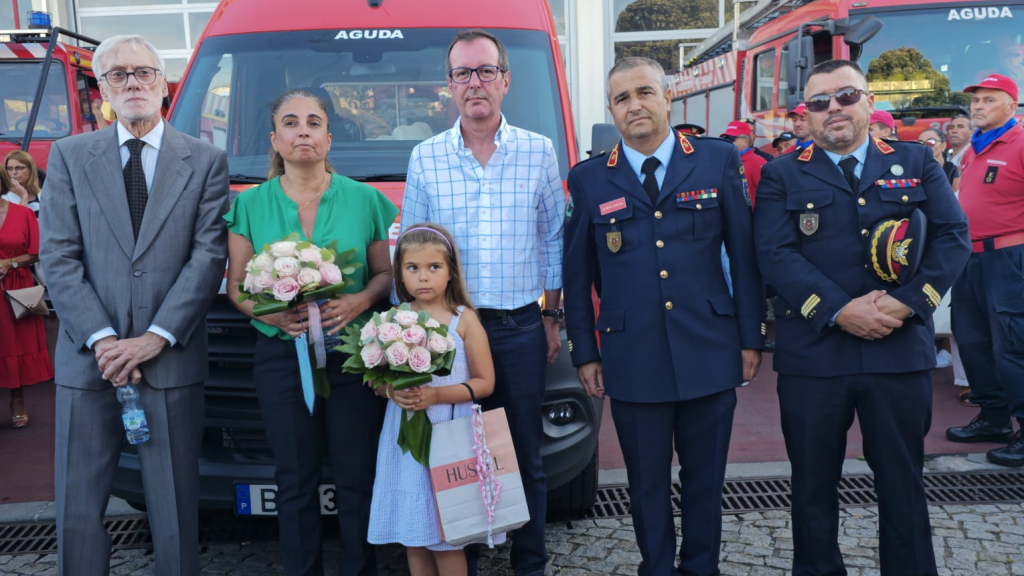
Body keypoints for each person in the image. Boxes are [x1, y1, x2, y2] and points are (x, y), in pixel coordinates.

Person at [754, 59, 970, 575]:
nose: (834, 109)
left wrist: (907, 303)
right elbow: (774, 253)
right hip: (815, 357)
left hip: (898, 351)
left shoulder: (917, 160)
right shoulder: (782, 173)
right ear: (805, 116)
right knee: (810, 487)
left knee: (902, 482)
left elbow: (952, 236)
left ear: (870, 103)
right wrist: (838, 311)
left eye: (846, 97)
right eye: (819, 102)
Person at [564, 57, 764, 576]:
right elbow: (577, 273)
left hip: (710, 347)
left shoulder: (717, 161)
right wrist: (584, 351)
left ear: (667, 97)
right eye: (622, 98)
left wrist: (752, 338)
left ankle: (702, 568)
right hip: (633, 356)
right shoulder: (588, 179)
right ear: (611, 109)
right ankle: (656, 568)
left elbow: (744, 257)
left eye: (644, 92)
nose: (635, 105)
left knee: (705, 480)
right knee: (646, 482)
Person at [39, 35, 229, 576]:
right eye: (118, 75)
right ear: (102, 89)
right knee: (77, 508)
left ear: (163, 85)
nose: (132, 83)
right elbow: (58, 255)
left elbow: (208, 255)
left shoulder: (207, 161)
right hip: (87, 359)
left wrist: (154, 337)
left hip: (169, 357)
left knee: (173, 510)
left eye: (143, 72)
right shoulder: (70, 157)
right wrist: (103, 339)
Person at [400, 29, 564, 576]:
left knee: (524, 453)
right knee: (456, 452)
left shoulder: (539, 152)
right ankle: (462, 560)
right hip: (448, 333)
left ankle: (530, 562)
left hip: (519, 325)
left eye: (485, 71)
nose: (475, 83)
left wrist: (551, 314)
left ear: (505, 80)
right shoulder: (426, 157)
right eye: (463, 73)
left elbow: (553, 238)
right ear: (448, 86)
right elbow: (412, 244)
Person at [225, 89, 396, 575]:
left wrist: (361, 299)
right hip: (281, 360)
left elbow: (385, 275)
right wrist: (268, 314)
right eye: (292, 123)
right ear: (276, 139)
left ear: (328, 137)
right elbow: (237, 287)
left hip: (352, 357)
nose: (303, 131)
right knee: (294, 477)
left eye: (314, 122)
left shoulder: (365, 199)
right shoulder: (249, 204)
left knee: (355, 476)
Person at [368, 223, 498, 576]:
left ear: (451, 271)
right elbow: (377, 380)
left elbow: (485, 382)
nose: (423, 276)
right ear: (399, 273)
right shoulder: (392, 320)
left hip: (449, 436)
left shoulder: (464, 321)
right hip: (405, 439)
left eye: (434, 267)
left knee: (447, 537)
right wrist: (390, 392)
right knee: (415, 536)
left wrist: (437, 395)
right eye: (412, 268)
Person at [946, 74, 1024, 467]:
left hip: (1009, 259)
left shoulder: (1021, 142)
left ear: (1012, 106)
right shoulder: (974, 148)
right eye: (975, 101)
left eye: (988, 100)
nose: (977, 106)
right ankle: (994, 418)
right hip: (969, 258)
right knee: (972, 341)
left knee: (1013, 345)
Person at [0, 189, 52, 428]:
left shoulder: (23, 214)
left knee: (14, 343)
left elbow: (36, 252)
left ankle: (17, 400)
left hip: (15, 288)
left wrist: (9, 263)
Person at [721, 120, 767, 205]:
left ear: (745, 142)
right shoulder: (724, 161)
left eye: (731, 139)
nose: (727, 142)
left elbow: (768, 195)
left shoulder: (757, 162)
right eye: (725, 138)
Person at [4, 150, 42, 216]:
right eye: (9, 168)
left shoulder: (42, 194)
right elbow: (19, 224)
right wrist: (23, 196)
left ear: (31, 169)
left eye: (19, 168)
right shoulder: (4, 197)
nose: (14, 172)